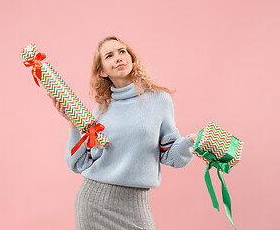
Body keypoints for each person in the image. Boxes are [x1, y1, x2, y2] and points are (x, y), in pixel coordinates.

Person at [48, 36, 197, 230]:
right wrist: (73, 125)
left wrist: (189, 142)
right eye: (109, 55)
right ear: (102, 71)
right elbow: (79, 163)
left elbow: (171, 154)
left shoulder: (160, 100)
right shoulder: (101, 110)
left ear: (132, 59)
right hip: (94, 203)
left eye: (122, 51)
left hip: (137, 205)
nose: (118, 57)